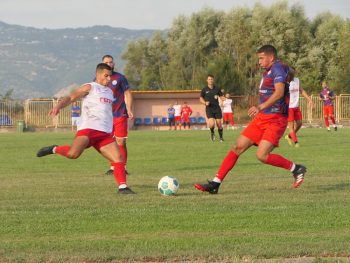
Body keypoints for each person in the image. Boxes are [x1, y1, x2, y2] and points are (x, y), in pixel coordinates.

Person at [194, 45, 307, 194]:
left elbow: (279, 93)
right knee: (237, 147)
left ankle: (297, 169)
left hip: (276, 119)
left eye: (261, 58)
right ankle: (215, 184)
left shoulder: (278, 68)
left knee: (262, 155)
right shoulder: (275, 69)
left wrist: (260, 106)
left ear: (271, 57)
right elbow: (291, 71)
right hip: (262, 118)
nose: (259, 62)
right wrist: (289, 76)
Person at [36, 63, 135, 194]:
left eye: (110, 76)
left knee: (118, 158)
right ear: (98, 75)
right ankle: (55, 149)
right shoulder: (90, 87)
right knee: (73, 154)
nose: (109, 79)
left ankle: (123, 188)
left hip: (104, 134)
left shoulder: (110, 92)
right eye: (106, 76)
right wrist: (58, 106)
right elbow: (71, 97)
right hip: (88, 130)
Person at [102, 55, 134, 175]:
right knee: (110, 142)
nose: (109, 64)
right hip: (106, 116)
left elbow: (128, 93)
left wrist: (129, 108)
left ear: (113, 63)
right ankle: (113, 167)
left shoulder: (120, 77)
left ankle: (123, 167)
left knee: (121, 142)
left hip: (120, 113)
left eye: (111, 62)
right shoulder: (98, 79)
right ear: (102, 64)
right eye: (106, 62)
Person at [285, 68, 313, 147]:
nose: (292, 73)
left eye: (293, 72)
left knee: (300, 123)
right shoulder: (285, 81)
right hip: (289, 107)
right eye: (290, 72)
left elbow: (302, 90)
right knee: (291, 126)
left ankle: (289, 136)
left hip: (296, 106)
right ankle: (296, 142)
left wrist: (309, 100)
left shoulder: (297, 80)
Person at [200, 74, 225, 142]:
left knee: (219, 124)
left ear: (213, 80)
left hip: (217, 108)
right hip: (209, 109)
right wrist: (205, 103)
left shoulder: (217, 88)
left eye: (211, 79)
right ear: (207, 80)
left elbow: (221, 96)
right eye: (209, 79)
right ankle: (212, 133)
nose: (210, 80)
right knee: (211, 124)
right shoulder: (204, 89)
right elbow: (201, 98)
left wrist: (223, 98)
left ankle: (221, 137)